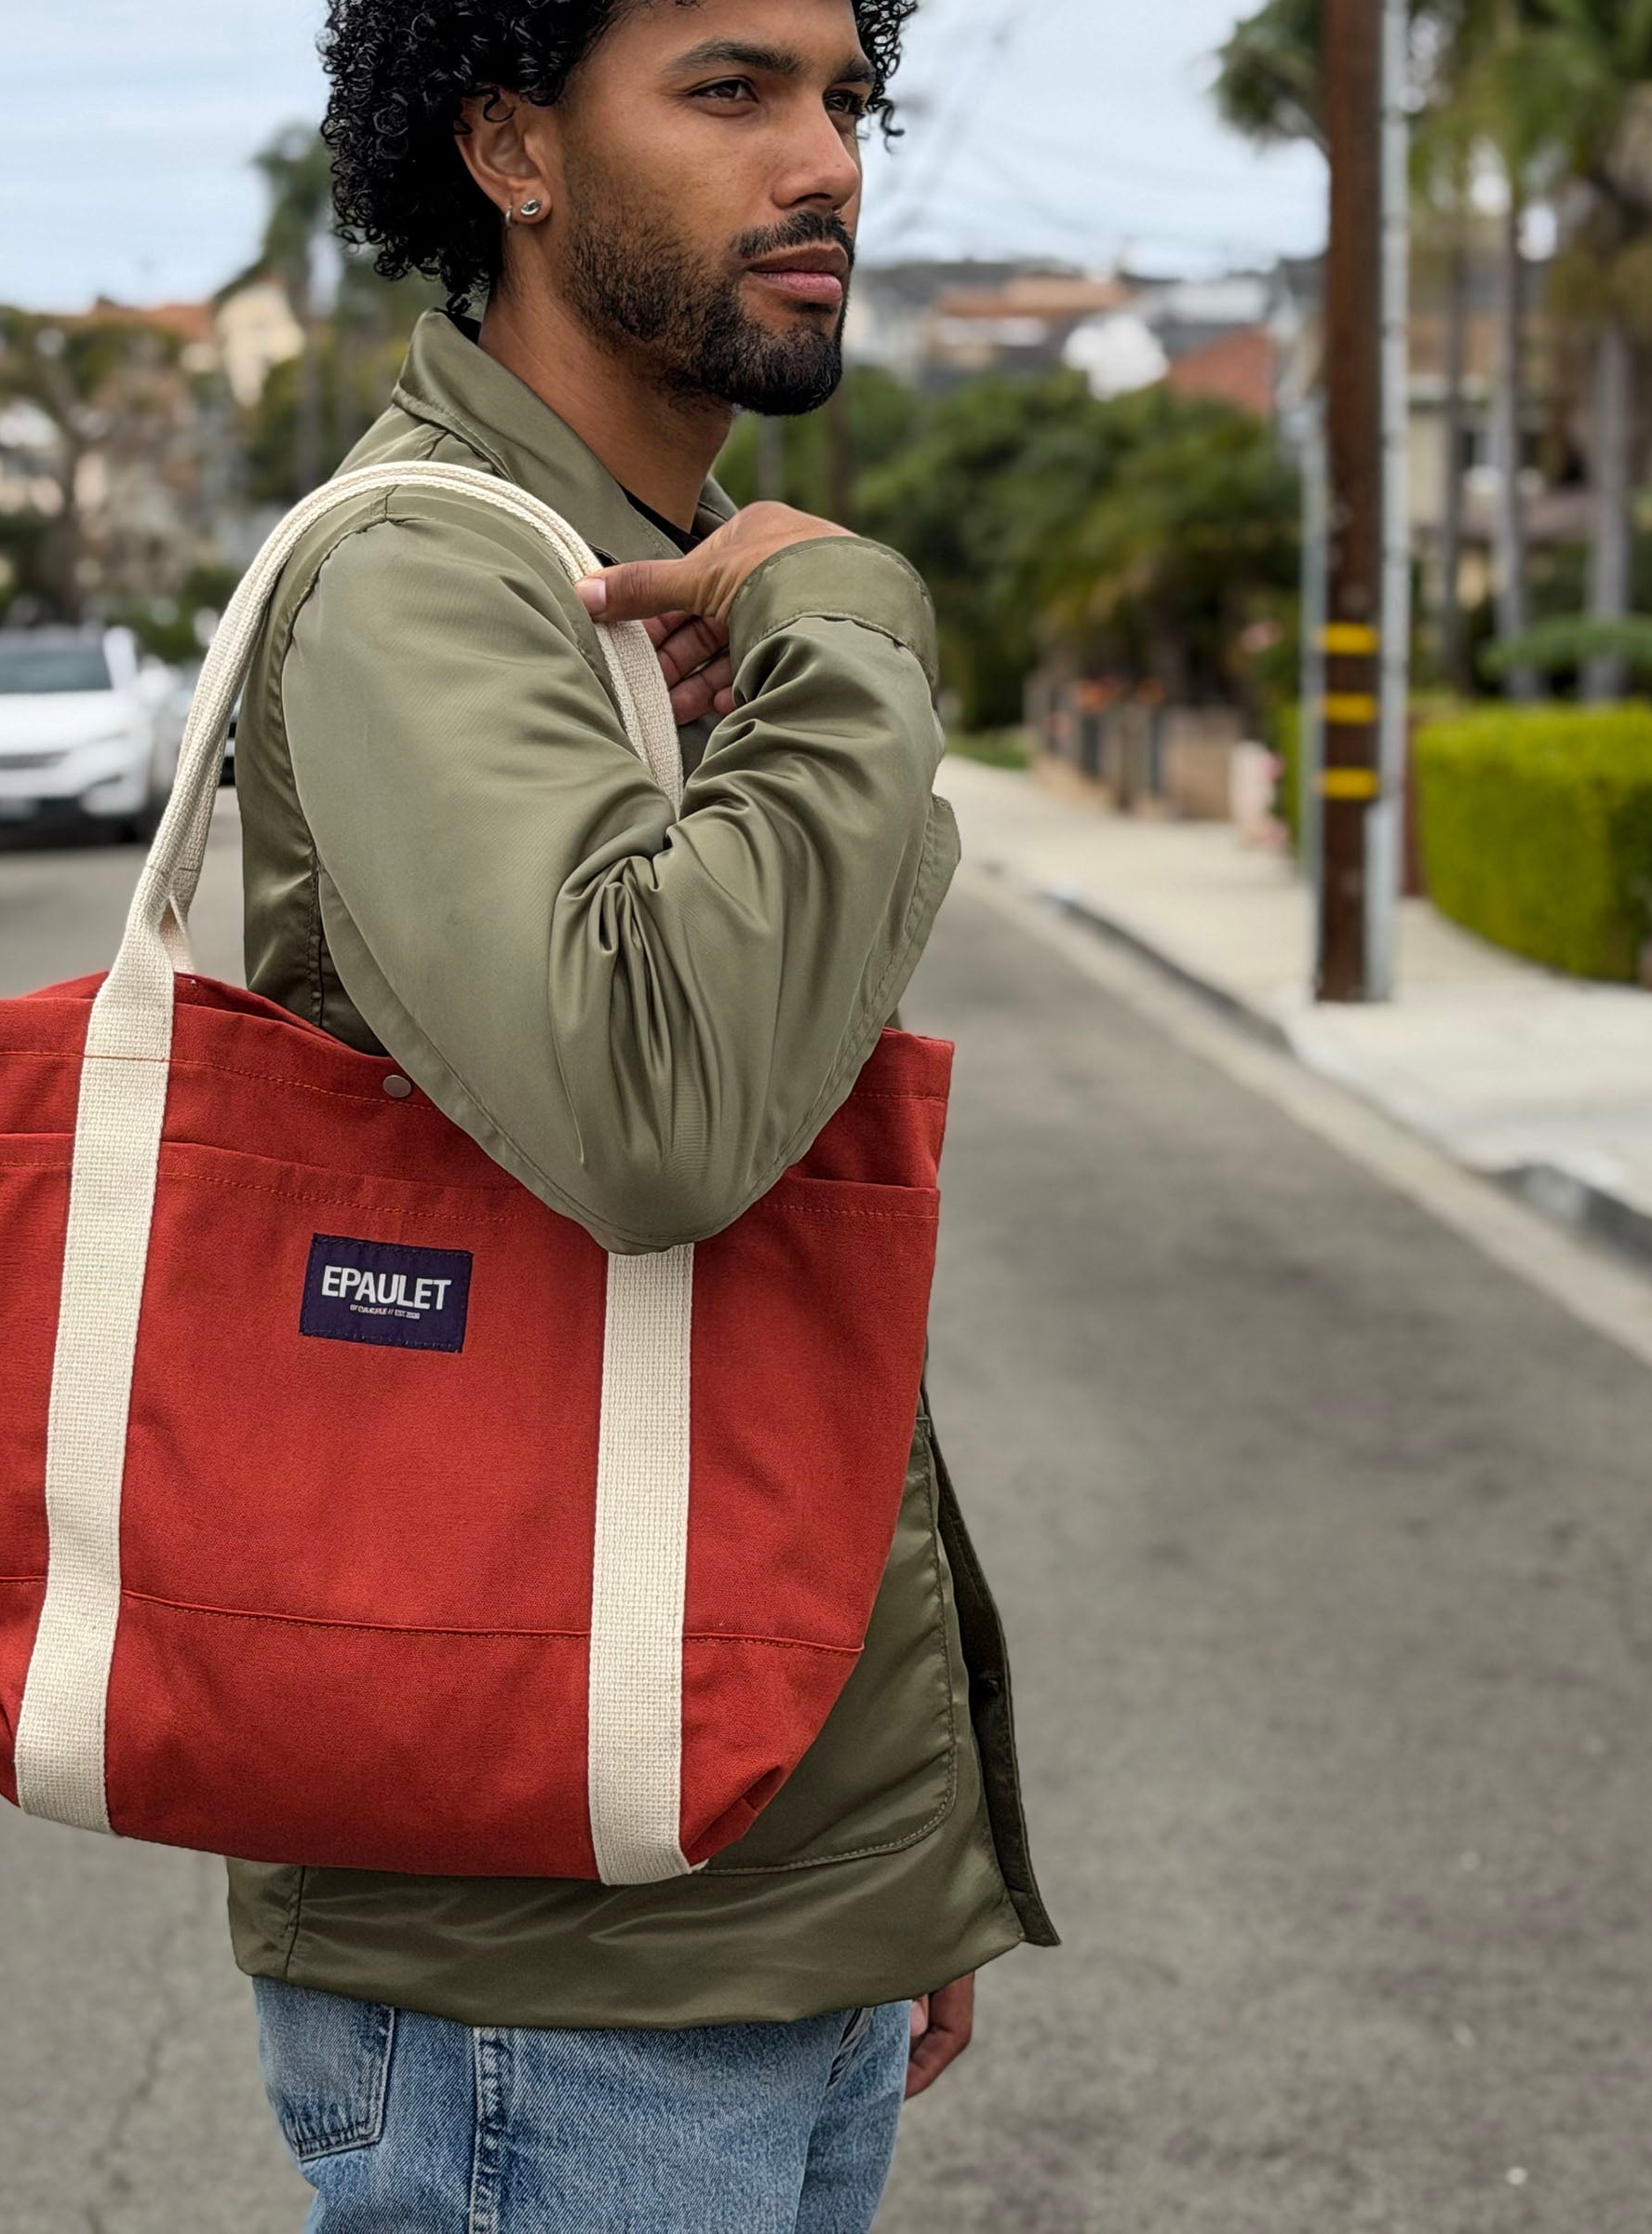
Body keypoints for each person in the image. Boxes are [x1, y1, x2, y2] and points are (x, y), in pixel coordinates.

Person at [230, 0, 1055, 2223]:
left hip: (724, 1894)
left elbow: (751, 1299)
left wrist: (892, 1862)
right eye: (731, 91)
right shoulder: (430, 576)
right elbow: (664, 1113)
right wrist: (847, 615)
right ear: (510, 145)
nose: (828, 164)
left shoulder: (627, 576)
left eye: (842, 97)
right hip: (554, 1984)